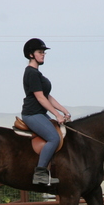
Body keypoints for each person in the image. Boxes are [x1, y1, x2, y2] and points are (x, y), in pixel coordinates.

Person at [21, 38, 71, 185]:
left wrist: (64, 110)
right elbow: (40, 98)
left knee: (61, 132)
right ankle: (40, 174)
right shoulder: (31, 73)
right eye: (40, 52)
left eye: (44, 52)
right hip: (32, 114)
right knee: (54, 138)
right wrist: (57, 115)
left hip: (40, 113)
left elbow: (47, 96)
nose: (43, 54)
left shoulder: (37, 74)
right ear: (31, 54)